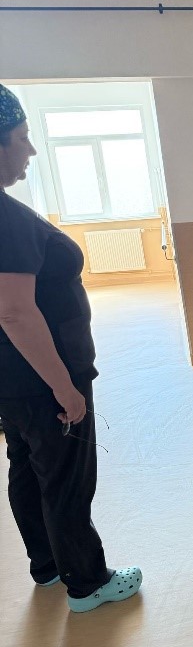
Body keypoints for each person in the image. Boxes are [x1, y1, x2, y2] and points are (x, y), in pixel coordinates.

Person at [0, 84, 142, 611]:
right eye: (22, 138)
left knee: (26, 465)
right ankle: (87, 582)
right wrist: (64, 387)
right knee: (64, 477)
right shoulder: (6, 219)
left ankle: (47, 566)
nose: (32, 151)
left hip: (12, 378)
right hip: (44, 376)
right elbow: (15, 311)